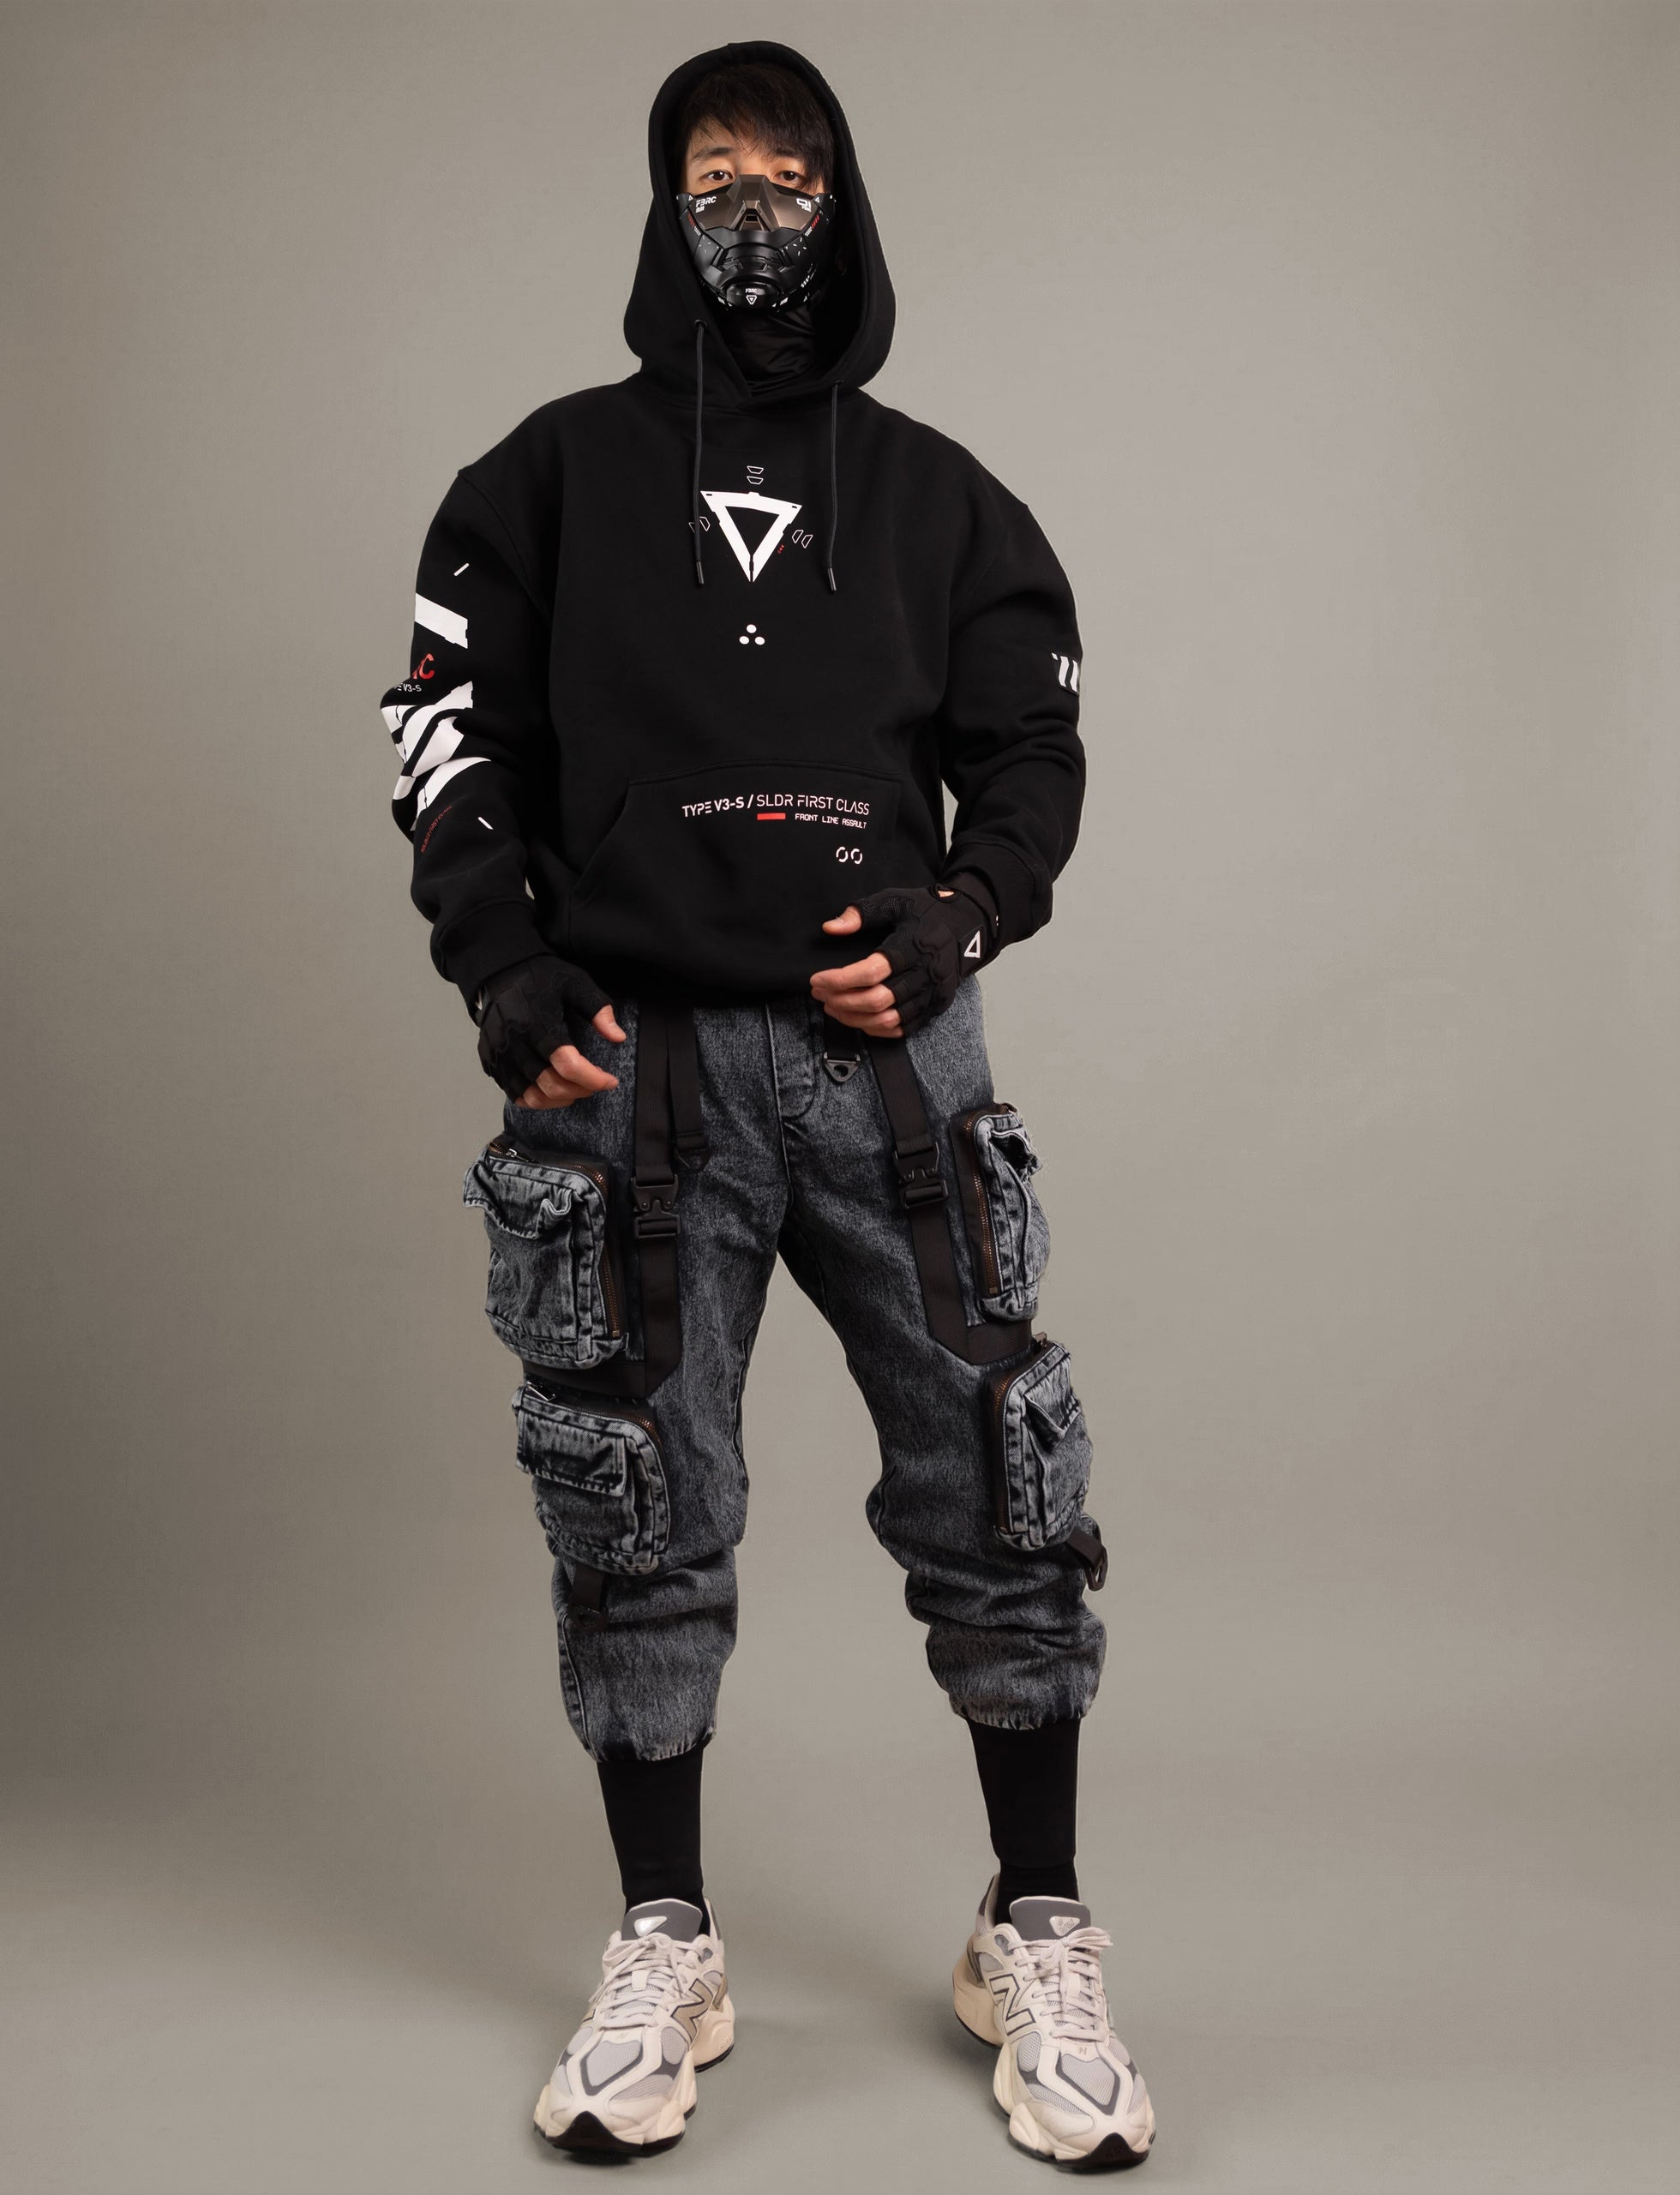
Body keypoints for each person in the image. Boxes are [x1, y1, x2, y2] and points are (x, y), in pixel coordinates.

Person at [379, 40, 1154, 2171]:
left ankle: (1034, 1920)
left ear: (847, 199)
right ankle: (666, 1936)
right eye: (712, 173)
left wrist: (958, 920)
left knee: (1003, 1475)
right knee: (628, 1496)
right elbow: (440, 730)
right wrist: (503, 968)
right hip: (627, 1070)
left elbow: (1033, 761)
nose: (752, 212)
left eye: (788, 175)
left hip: (887, 1059)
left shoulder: (942, 499)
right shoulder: (539, 480)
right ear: (660, 203)